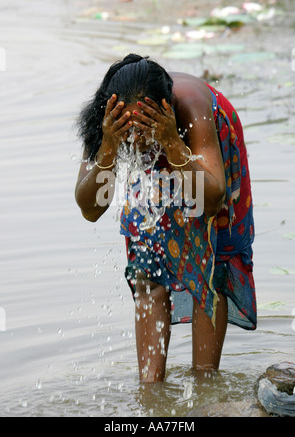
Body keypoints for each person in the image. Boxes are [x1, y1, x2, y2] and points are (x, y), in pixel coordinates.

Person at [75, 54, 256, 383]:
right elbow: (90, 208)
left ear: (165, 110)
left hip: (200, 152)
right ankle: (149, 389)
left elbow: (212, 200)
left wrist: (172, 143)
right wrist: (109, 150)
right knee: (146, 269)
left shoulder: (194, 110)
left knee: (210, 264)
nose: (137, 142)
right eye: (128, 131)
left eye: (143, 128)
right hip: (160, 144)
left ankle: (205, 381)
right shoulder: (109, 122)